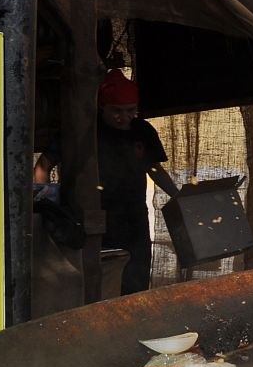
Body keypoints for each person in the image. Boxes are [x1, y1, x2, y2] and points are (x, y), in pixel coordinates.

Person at [34, 69, 180, 294]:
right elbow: (43, 165)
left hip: (133, 219)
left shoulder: (142, 131)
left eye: (131, 110)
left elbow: (153, 168)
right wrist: (44, 200)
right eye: (117, 111)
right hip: (89, 219)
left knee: (135, 281)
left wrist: (178, 196)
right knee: (95, 281)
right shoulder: (83, 132)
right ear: (102, 107)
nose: (124, 117)